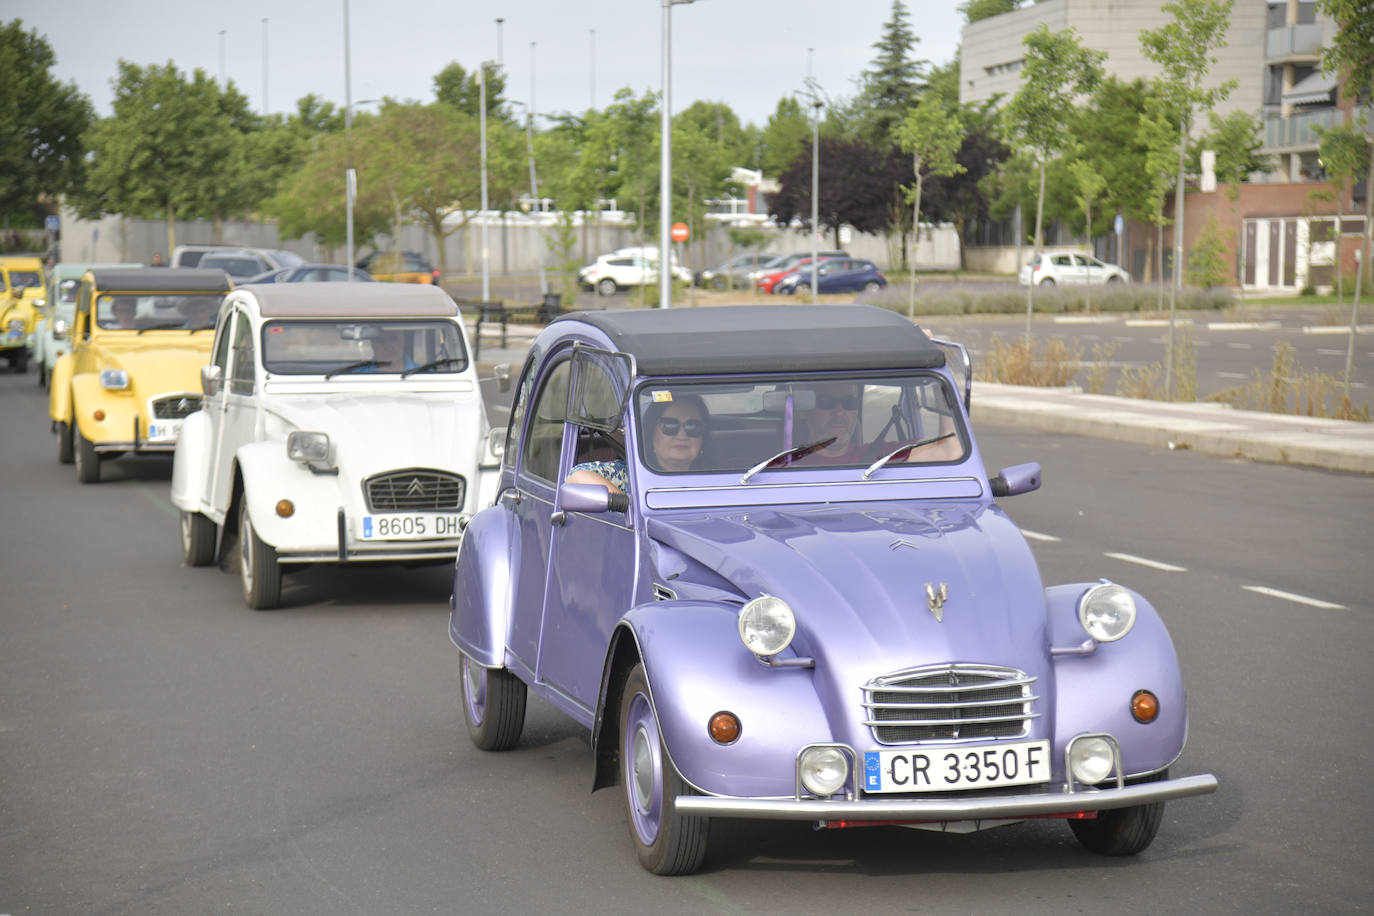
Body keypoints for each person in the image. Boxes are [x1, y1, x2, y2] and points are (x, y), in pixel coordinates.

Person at [566, 393, 709, 495]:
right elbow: (576, 476)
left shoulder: (714, 479)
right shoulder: (630, 476)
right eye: (669, 426)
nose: (682, 435)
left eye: (692, 427)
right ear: (651, 432)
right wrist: (623, 504)